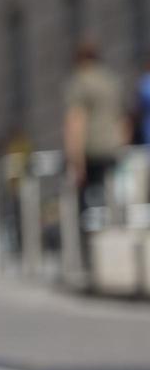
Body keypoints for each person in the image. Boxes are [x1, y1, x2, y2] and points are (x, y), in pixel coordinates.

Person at [63, 40, 129, 246]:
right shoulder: (111, 80)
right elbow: (124, 119)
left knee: (87, 209)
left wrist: (75, 160)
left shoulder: (80, 81)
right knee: (113, 201)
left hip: (90, 150)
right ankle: (116, 245)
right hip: (113, 148)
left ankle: (90, 253)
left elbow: (75, 121)